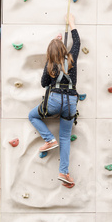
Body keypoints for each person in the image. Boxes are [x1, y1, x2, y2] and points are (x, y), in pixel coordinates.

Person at [28, 14, 80, 185]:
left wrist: (50, 61)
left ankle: (49, 140)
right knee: (65, 137)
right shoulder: (72, 59)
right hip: (71, 103)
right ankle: (64, 173)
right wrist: (71, 23)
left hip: (54, 101)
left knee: (33, 116)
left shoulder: (50, 65)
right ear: (65, 51)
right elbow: (77, 42)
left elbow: (44, 84)